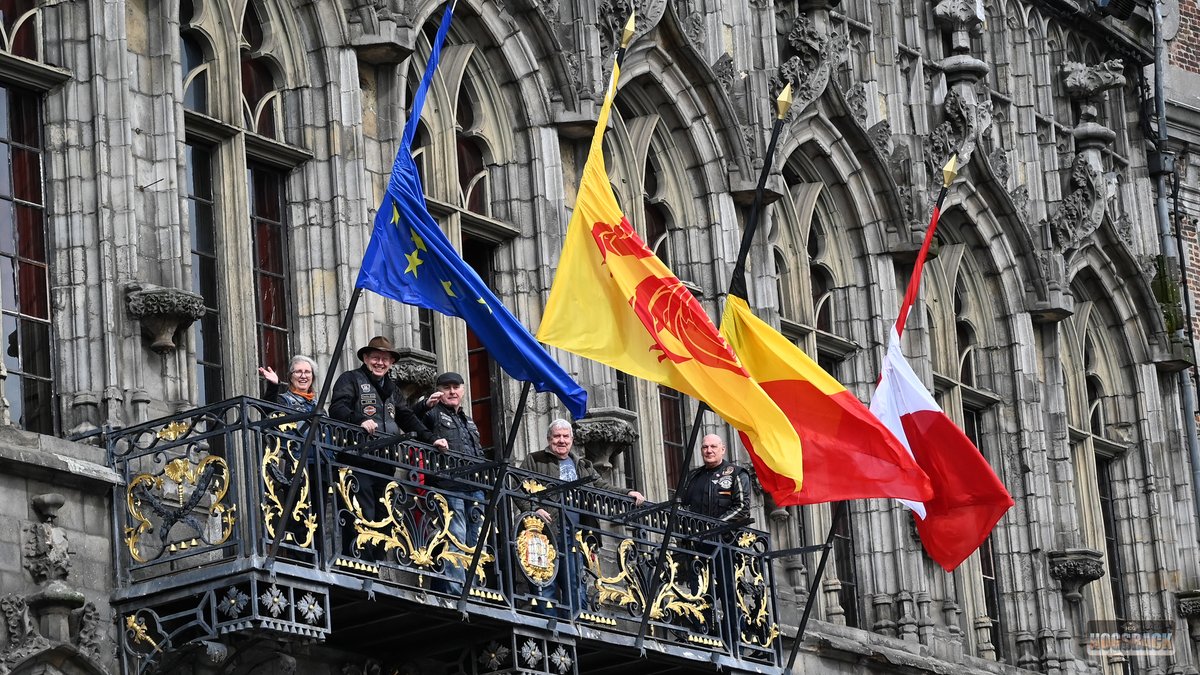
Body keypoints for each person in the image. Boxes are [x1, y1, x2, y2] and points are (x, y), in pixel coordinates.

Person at [328, 335, 447, 563]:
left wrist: (431, 439)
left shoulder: (392, 390)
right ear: (365, 357)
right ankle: (357, 564)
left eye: (385, 359)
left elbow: (407, 417)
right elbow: (337, 408)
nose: (380, 363)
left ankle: (377, 563)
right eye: (375, 358)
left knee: (386, 514)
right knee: (361, 514)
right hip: (357, 460)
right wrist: (359, 420)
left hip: (385, 463)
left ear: (391, 362)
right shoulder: (351, 379)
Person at [519, 419, 646, 616]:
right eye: (557, 436)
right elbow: (519, 488)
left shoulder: (582, 464)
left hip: (575, 534)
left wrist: (627, 493)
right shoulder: (535, 459)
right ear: (549, 439)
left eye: (565, 436)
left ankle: (577, 626)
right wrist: (534, 508)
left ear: (572, 439)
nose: (561, 441)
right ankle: (547, 628)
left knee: (574, 583)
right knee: (543, 581)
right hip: (543, 532)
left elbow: (601, 487)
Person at [417, 371, 487, 594]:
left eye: (456, 387)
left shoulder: (468, 420)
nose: (452, 391)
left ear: (463, 390)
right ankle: (457, 591)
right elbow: (410, 419)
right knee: (455, 538)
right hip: (448, 485)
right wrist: (424, 405)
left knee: (475, 542)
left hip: (474, 488)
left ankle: (474, 589)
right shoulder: (433, 413)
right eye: (446, 387)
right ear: (438, 390)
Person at [680, 434, 750, 523]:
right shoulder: (693, 476)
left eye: (713, 446)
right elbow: (680, 504)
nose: (709, 451)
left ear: (723, 449)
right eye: (705, 447)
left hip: (725, 534)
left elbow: (742, 508)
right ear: (701, 451)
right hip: (694, 534)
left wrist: (716, 525)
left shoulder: (737, 474)